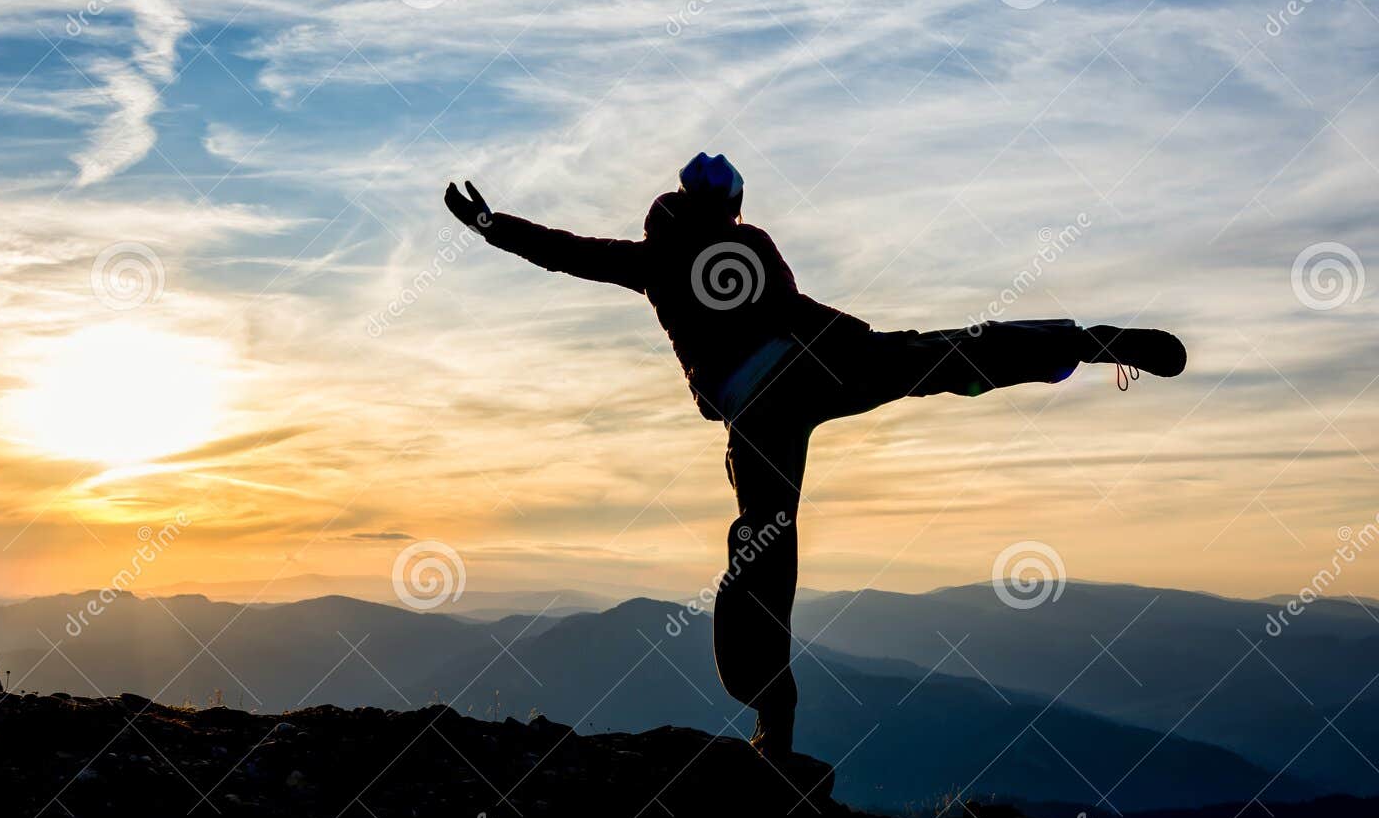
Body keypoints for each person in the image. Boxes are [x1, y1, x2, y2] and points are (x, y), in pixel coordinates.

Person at [444, 154, 1185, 761]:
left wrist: (488, 224)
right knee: (946, 356)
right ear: (733, 203)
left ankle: (775, 719)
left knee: (766, 549)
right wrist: (866, 342)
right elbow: (796, 311)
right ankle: (1081, 341)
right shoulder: (750, 243)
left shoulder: (654, 259)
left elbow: (562, 252)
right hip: (817, 365)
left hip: (758, 409)